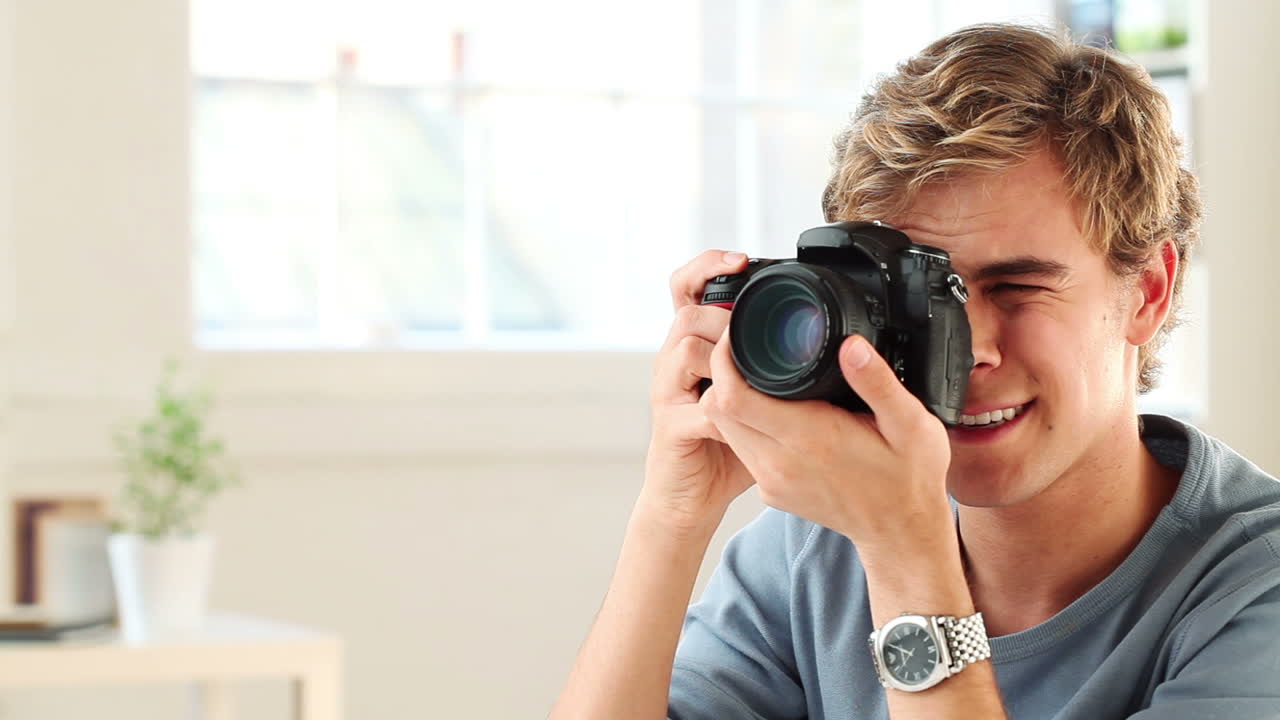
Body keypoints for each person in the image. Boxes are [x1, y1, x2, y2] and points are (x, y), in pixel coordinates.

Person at [549, 22, 1280, 720]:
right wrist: (672, 516)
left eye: (1016, 287)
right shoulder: (815, 552)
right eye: (927, 298)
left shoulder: (1255, 587)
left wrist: (907, 554)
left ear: (1147, 291)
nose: (972, 350)